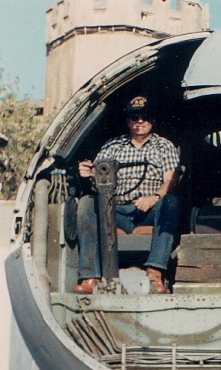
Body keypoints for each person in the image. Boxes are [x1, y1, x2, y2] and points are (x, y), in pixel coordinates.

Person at [74, 95, 181, 294]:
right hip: (116, 210)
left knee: (171, 202)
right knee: (87, 203)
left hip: (148, 210)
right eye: (134, 117)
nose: (139, 121)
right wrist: (88, 174)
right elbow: (100, 177)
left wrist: (153, 198)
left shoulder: (163, 146)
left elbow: (170, 180)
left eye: (145, 116)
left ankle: (155, 272)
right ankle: (90, 276)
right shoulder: (113, 146)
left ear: (152, 120)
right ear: (128, 121)